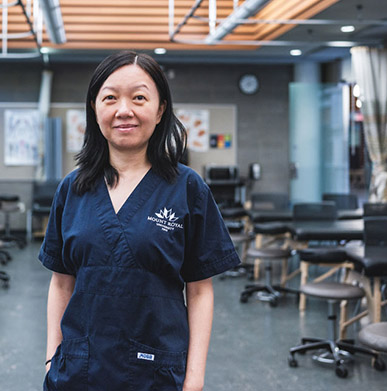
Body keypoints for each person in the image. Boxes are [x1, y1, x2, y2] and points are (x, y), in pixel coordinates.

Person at [40, 51, 240, 391]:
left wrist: (194, 379)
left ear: (160, 110)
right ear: (95, 108)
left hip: (155, 372)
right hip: (77, 371)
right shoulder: (72, 189)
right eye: (110, 98)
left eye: (139, 97)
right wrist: (50, 359)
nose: (124, 110)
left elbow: (200, 290)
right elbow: (61, 283)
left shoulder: (187, 188)